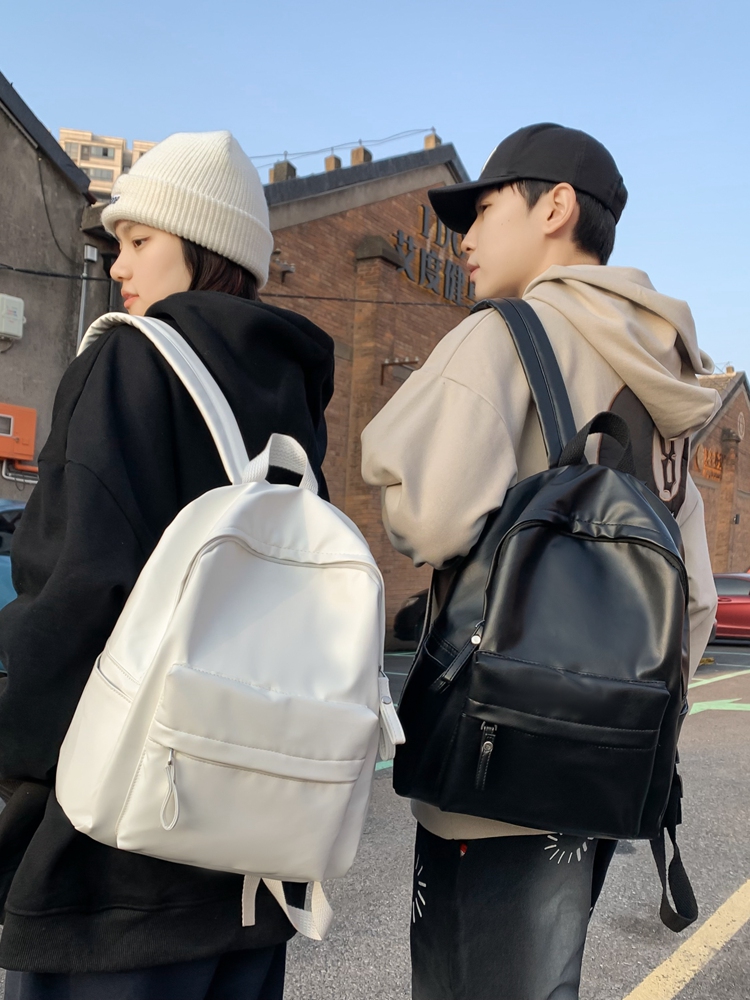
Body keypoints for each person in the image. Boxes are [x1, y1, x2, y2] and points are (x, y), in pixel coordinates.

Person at [361, 123, 719, 1000]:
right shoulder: (669, 378)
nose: (464, 238)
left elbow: (428, 514)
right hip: (601, 766)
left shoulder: (507, 336)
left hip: (494, 751)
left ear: (554, 207)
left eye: (483, 210)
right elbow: (695, 601)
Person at [0, 130, 334, 999]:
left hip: (115, 867)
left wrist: (15, 750)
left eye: (140, 240)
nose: (119, 266)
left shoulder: (128, 361)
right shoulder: (293, 400)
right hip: (255, 858)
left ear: (203, 247)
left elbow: (72, 591)